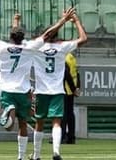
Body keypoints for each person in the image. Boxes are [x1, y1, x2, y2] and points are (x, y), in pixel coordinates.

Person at [0, 8, 75, 160]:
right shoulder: (29, 48)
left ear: (10, 36)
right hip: (23, 91)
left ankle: (8, 109)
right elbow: (47, 35)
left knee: (7, 123)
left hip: (7, 90)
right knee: (23, 124)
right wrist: (63, 21)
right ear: (23, 37)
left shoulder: (2, 47)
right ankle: (21, 156)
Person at [30, 12, 87, 160]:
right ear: (57, 35)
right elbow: (83, 39)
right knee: (57, 122)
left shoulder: (36, 46)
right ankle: (56, 152)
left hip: (41, 90)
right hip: (57, 90)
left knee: (39, 122)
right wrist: (76, 21)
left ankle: (36, 155)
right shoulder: (62, 47)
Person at [61, 52, 80, 144]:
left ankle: (62, 136)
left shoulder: (64, 58)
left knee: (63, 114)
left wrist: (73, 89)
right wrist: (76, 88)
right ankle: (71, 137)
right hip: (71, 90)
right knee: (70, 114)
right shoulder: (72, 58)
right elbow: (77, 73)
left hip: (65, 89)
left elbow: (66, 75)